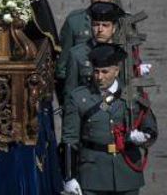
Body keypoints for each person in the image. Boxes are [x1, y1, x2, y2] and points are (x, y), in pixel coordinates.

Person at [61, 43, 157, 195]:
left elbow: (150, 126)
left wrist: (143, 136)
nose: (99, 77)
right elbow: (69, 140)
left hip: (126, 170)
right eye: (96, 72)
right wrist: (69, 177)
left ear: (116, 71)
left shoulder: (132, 95)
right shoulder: (79, 97)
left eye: (105, 72)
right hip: (92, 174)